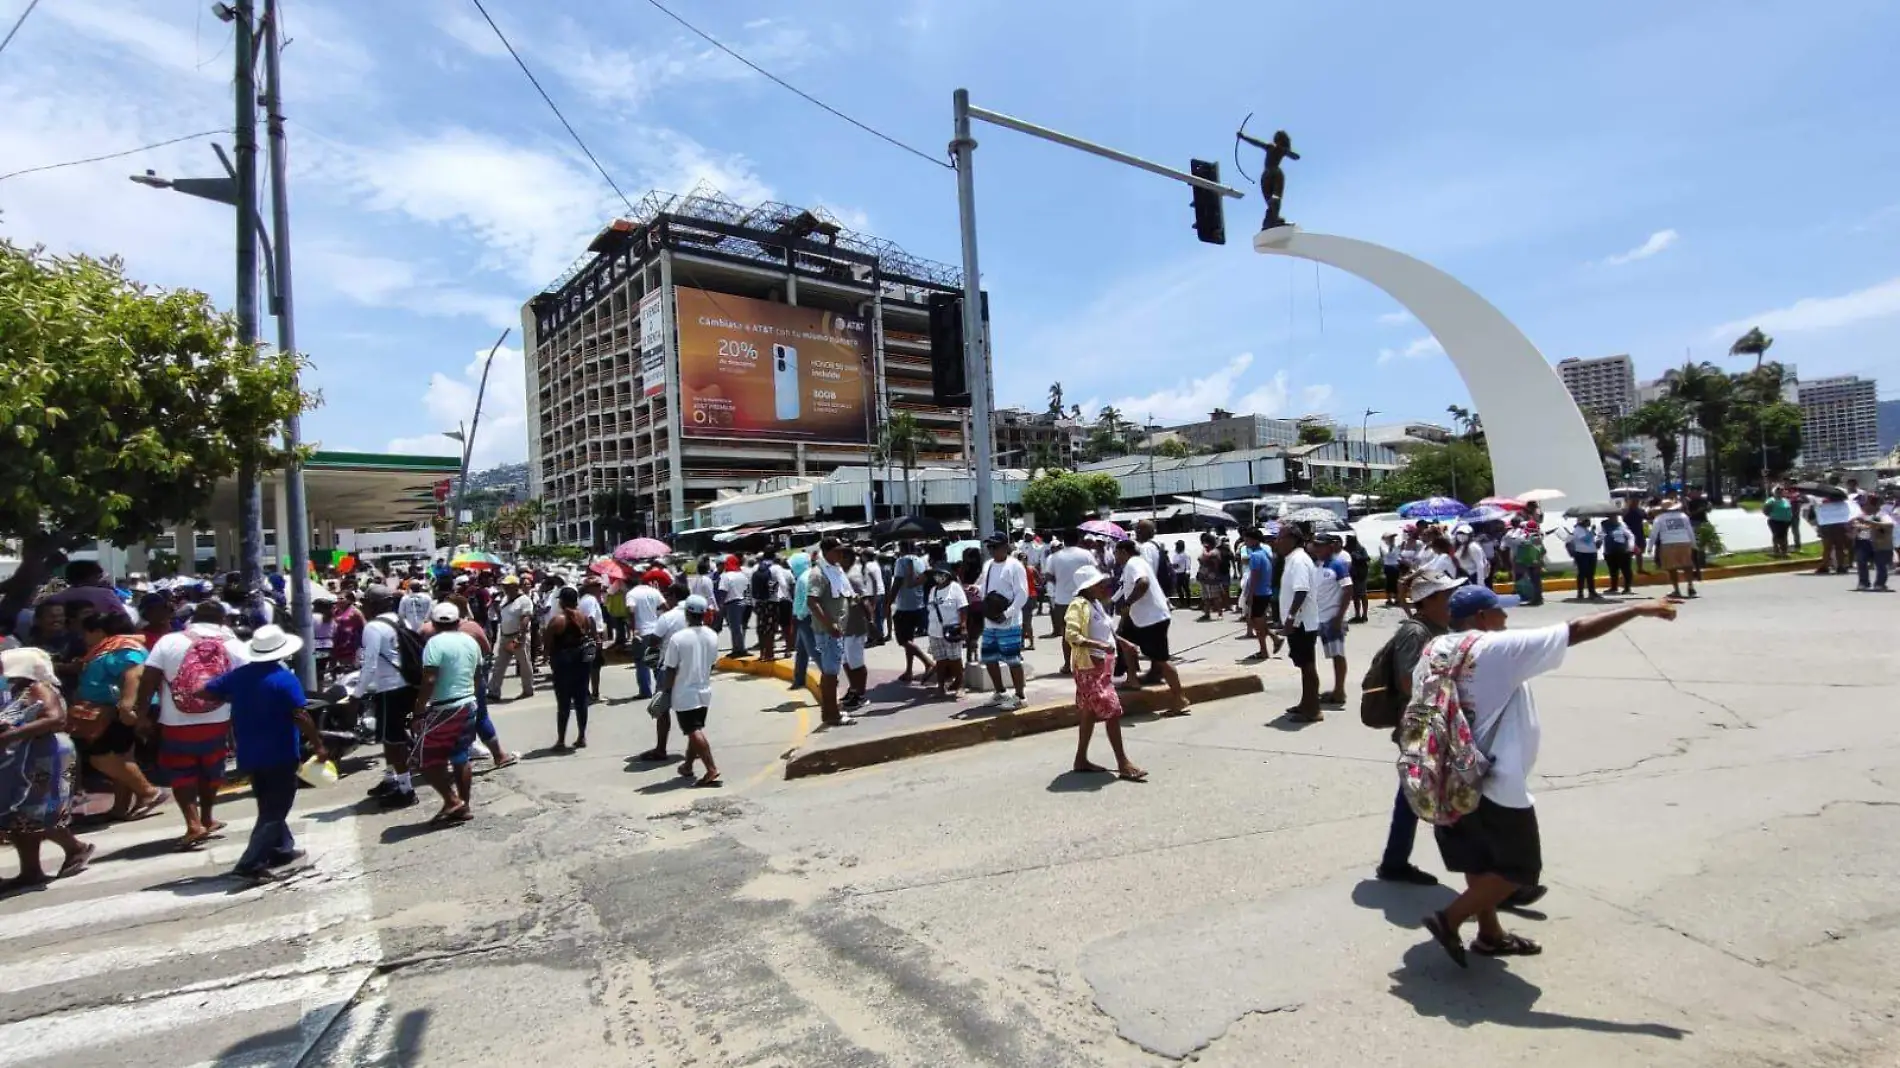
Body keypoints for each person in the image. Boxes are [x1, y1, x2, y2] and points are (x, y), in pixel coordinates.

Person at [1417, 586, 1678, 967]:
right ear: (1481, 619)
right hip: (1495, 781)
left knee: (1479, 859)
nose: (1505, 619)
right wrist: (1637, 609)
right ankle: (1449, 919)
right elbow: (1575, 630)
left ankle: (1490, 936)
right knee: (1517, 870)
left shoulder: (1435, 649)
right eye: (1498, 612)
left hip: (1448, 774)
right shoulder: (1494, 648)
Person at [198, 625, 325, 880]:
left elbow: (204, 690)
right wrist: (318, 744)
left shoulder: (239, 676)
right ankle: (250, 864)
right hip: (279, 752)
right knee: (275, 808)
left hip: (249, 752)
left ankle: (281, 849)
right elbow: (300, 714)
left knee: (267, 802)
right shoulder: (284, 678)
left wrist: (235, 699)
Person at [1370, 570, 1465, 885]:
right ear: (1432, 599)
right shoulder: (1416, 632)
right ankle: (1488, 876)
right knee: (1447, 795)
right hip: (1423, 725)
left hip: (1433, 724)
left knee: (1416, 795)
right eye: (1447, 594)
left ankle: (1394, 861)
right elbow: (1408, 680)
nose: (1452, 599)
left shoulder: (1438, 628)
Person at [138, 600, 251, 845]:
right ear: (223, 621)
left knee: (181, 772)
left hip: (175, 721)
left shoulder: (168, 641)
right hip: (218, 719)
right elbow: (247, 682)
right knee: (211, 770)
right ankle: (208, 818)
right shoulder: (234, 645)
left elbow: (148, 680)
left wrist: (142, 714)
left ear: (193, 618)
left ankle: (193, 824)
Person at [0, 648, 95, 892]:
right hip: (29, 755)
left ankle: (75, 849)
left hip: (48, 754)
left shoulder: (37, 687)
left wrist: (11, 735)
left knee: (37, 813)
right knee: (23, 815)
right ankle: (32, 870)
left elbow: (56, 719)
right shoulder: (15, 692)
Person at [72, 612, 166, 821]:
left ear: (98, 631)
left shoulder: (121, 647)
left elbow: (135, 673)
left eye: (85, 633)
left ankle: (149, 792)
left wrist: (126, 705)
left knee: (101, 757)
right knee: (122, 758)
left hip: (119, 710)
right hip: (113, 709)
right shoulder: (108, 648)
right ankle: (120, 807)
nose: (83, 639)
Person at [1065, 566, 1148, 782]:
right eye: (1099, 584)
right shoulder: (1078, 605)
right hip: (1089, 668)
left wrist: (1123, 643)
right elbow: (1072, 636)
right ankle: (1123, 763)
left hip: (1101, 667)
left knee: (1089, 712)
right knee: (1112, 711)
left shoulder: (1095, 605)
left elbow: (1107, 631)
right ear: (1089, 587)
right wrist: (1100, 646)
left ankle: (1081, 759)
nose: (1104, 587)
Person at [408, 602, 483, 825]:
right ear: (458, 622)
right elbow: (478, 674)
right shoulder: (470, 641)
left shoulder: (434, 644)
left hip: (445, 707)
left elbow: (429, 678)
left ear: (433, 623)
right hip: (468, 703)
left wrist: (419, 711)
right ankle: (463, 805)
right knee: (460, 756)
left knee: (422, 759)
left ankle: (452, 801)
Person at [349, 586, 420, 809]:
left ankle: (406, 789)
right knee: (388, 736)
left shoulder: (373, 627)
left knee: (393, 739)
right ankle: (391, 779)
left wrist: (356, 695)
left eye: (365, 602)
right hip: (408, 685)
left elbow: (368, 665)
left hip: (390, 688)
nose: (363, 606)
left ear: (374, 604)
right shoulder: (402, 621)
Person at [426, 599, 514, 768]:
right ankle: (498, 755)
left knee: (449, 726)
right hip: (471, 682)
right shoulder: (472, 629)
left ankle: (453, 762)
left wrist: (421, 704)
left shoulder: (430, 636)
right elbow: (486, 649)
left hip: (446, 689)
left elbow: (429, 673)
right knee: (480, 717)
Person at [1111, 537, 1188, 712]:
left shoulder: (1133, 563)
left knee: (1161, 660)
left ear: (1124, 552)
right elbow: (1125, 587)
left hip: (1152, 619)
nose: (1115, 556)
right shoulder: (1133, 564)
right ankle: (1132, 678)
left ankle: (1179, 698)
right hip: (1140, 618)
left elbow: (1143, 583)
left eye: (1116, 553)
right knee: (1123, 639)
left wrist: (1128, 603)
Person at [660, 595, 723, 788]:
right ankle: (687, 766)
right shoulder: (712, 635)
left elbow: (670, 668)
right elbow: (712, 664)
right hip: (704, 689)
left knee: (692, 730)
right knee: (695, 729)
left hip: (684, 692)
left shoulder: (678, 638)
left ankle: (711, 768)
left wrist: (665, 691)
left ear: (687, 613)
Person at [1275, 526, 1323, 722]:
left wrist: (1290, 618)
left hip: (1302, 623)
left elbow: (1301, 591)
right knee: (1305, 665)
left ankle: (1313, 710)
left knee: (1308, 666)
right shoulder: (1293, 559)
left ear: (1292, 539)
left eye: (1280, 537)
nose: (1277, 542)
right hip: (1299, 622)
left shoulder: (1299, 560)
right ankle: (1306, 703)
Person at [977, 533, 1030, 710]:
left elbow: (1022, 594)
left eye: (995, 547)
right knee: (989, 658)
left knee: (1013, 660)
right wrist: (975, 590)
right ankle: (1000, 692)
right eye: (989, 547)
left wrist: (1007, 614)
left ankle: (1020, 696)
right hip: (990, 620)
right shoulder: (988, 565)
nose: (991, 550)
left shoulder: (1015, 566)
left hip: (1009, 621)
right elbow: (984, 586)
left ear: (1005, 546)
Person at [806, 539, 856, 727]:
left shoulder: (835, 570)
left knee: (829, 673)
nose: (841, 555)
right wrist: (829, 625)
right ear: (826, 552)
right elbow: (812, 601)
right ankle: (832, 715)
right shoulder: (819, 573)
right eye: (837, 551)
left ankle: (829, 712)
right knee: (830, 675)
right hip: (829, 632)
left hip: (835, 631)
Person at [542, 587, 596, 751]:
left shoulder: (557, 620)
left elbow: (548, 644)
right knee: (581, 701)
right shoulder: (584, 618)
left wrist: (547, 658)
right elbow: (592, 636)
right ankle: (581, 736)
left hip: (563, 663)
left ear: (562, 601)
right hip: (582, 662)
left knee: (563, 702)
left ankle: (560, 740)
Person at [1310, 534, 1354, 708]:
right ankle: (1336, 689)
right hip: (1320, 618)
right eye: (1316, 546)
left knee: (1338, 654)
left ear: (1330, 546)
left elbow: (1348, 589)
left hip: (1333, 618)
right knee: (1331, 654)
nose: (1318, 549)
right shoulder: (1318, 566)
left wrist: (1340, 616)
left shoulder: (1337, 565)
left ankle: (1340, 691)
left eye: (1321, 546)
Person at [1043, 536, 1095, 670]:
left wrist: (1060, 582)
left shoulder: (1055, 557)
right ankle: (1087, 663)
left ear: (1063, 542)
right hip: (1085, 598)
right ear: (1078, 540)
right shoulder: (1087, 554)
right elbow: (1094, 572)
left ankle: (1067, 664)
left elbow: (1048, 576)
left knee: (1067, 633)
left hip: (1063, 600)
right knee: (1087, 631)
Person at [890, 541, 935, 684]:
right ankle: (909, 670)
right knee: (909, 639)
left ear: (901, 548)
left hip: (904, 607)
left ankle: (927, 662)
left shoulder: (901, 561)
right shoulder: (921, 562)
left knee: (903, 640)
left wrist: (888, 601)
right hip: (919, 605)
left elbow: (897, 583)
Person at [488, 575, 536, 701]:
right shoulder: (505, 599)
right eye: (504, 586)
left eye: (507, 586)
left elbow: (525, 618)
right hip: (505, 636)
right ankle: (493, 690)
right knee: (499, 664)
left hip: (517, 636)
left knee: (524, 664)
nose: (505, 588)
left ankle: (528, 689)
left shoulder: (524, 600)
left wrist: (521, 636)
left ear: (515, 586)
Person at [924, 565, 968, 699]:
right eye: (936, 574)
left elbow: (963, 608)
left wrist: (963, 626)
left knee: (955, 659)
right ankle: (941, 686)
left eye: (940, 574)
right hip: (934, 631)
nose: (938, 577)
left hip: (951, 630)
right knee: (940, 660)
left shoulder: (955, 588)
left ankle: (960, 685)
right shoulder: (933, 590)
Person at [1242, 528, 1281, 661]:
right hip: (1265, 590)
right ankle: (1274, 637)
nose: (1245, 542)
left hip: (1259, 592)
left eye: (1246, 539)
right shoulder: (1264, 552)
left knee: (1256, 623)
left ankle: (1264, 650)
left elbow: (1255, 577)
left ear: (1253, 540)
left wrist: (1250, 595)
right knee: (1258, 620)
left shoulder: (1256, 556)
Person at [625, 573, 666, 699]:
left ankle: (645, 691)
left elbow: (631, 610)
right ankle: (662, 688)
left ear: (629, 584)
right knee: (656, 661)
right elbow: (665, 607)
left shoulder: (631, 594)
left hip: (641, 632)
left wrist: (633, 629)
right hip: (656, 631)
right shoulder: (653, 591)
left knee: (641, 662)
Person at [1651, 502, 1699, 600]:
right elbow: (1690, 530)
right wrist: (1693, 544)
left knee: (1672, 568)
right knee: (1687, 565)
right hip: (1684, 541)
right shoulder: (1683, 516)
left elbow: (1654, 534)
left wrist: (1650, 547)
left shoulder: (1659, 518)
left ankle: (1677, 589)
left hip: (1668, 543)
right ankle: (1690, 586)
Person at [1850, 493, 1894, 592]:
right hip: (1863, 542)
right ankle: (1863, 583)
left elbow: (1889, 525)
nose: (1863, 506)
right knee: (1861, 562)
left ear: (1874, 504)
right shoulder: (1861, 515)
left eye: (1866, 503)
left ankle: (1880, 584)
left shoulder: (1882, 514)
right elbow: (1855, 524)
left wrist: (1872, 523)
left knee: (1880, 564)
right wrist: (1856, 525)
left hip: (1879, 543)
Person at [788, 551, 818, 693]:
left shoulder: (804, 578)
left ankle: (829, 676)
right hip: (801, 617)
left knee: (812, 650)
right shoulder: (804, 576)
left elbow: (808, 600)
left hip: (805, 618)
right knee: (801, 650)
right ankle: (799, 679)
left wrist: (799, 615)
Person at [1813, 482, 1854, 575]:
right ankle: (1840, 566)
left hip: (1828, 528)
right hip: (1838, 528)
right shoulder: (1844, 505)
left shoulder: (1824, 505)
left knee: (1828, 548)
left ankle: (1825, 566)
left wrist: (1819, 528)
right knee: (1839, 547)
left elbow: (1820, 517)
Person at [717, 556, 751, 658]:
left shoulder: (726, 576)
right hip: (744, 601)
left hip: (733, 602)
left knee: (735, 627)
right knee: (740, 626)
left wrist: (720, 604)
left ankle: (739, 649)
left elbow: (723, 591)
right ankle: (739, 647)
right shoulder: (742, 575)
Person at [330, 590, 364, 676]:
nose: (338, 600)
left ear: (349, 600)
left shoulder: (355, 612)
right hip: (335, 644)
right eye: (337, 598)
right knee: (333, 669)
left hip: (349, 645)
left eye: (341, 598)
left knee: (347, 669)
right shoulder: (335, 611)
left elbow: (364, 626)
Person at [1567, 519, 1602, 601]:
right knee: (1582, 573)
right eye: (1587, 520)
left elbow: (1590, 541)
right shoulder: (1578, 530)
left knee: (1591, 574)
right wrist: (1592, 531)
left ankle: (1592, 592)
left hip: (1591, 553)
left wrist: (1597, 543)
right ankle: (1580, 593)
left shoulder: (1585, 529)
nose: (1589, 522)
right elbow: (1585, 540)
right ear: (1582, 521)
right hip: (1582, 554)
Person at [1602, 516, 1636, 595]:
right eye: (1611, 517)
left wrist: (1631, 547)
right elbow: (1601, 536)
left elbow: (1630, 536)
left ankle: (1627, 588)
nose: (1613, 518)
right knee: (1613, 571)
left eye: (1614, 517)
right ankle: (1614, 587)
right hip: (1610, 551)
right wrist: (1598, 542)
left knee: (1626, 570)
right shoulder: (1604, 526)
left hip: (1623, 551)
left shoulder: (1622, 525)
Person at [1197, 534, 1227, 620]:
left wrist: (1204, 549)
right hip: (1204, 577)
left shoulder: (1215, 551)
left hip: (1213, 577)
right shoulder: (1206, 550)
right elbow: (1200, 559)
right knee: (1205, 597)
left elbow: (1207, 556)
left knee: (1216, 596)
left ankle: (1220, 613)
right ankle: (1207, 613)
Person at [1344, 534, 1371, 623]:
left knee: (1363, 595)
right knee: (1355, 596)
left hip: (1361, 575)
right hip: (1351, 575)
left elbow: (1367, 558)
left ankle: (1365, 615)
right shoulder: (1346, 549)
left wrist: (1356, 556)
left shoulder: (1361, 549)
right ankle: (1357, 615)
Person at [1763, 486, 1794, 558]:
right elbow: (1765, 510)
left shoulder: (1785, 500)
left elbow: (1789, 509)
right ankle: (1781, 552)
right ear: (1774, 492)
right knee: (1779, 537)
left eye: (1781, 491)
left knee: (1783, 536)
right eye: (1777, 491)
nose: (1779, 492)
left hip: (1786, 522)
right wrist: (1773, 514)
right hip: (1775, 521)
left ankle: (1781, 551)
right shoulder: (1771, 500)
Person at [1379, 533, 1405, 608]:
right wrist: (1391, 546)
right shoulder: (1383, 547)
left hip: (1396, 566)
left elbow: (1398, 555)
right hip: (1388, 566)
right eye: (1390, 538)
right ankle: (1389, 599)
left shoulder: (1396, 546)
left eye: (1393, 538)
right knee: (1389, 583)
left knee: (1396, 583)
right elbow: (1387, 555)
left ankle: (1397, 599)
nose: (1392, 539)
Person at [1169, 540, 1195, 609]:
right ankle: (1181, 602)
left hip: (1184, 574)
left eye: (1177, 545)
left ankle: (1188, 603)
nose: (1176, 547)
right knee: (1178, 589)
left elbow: (1188, 565)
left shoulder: (1185, 555)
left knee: (1186, 589)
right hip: (1177, 573)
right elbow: (1174, 564)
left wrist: (1187, 573)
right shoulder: (1175, 555)